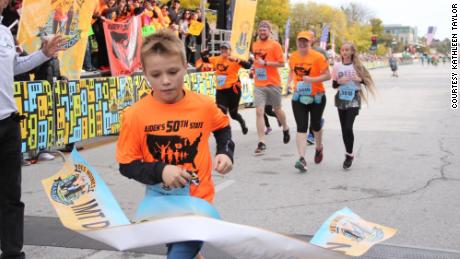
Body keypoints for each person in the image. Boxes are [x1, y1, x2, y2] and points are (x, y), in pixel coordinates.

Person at [116, 29, 234, 259]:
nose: (166, 81)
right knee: (179, 250)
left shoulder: (204, 106)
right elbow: (126, 165)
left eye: (173, 72)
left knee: (180, 253)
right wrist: (161, 170)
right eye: (156, 74)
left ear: (185, 66)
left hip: (198, 203)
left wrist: (225, 152)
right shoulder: (135, 115)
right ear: (144, 74)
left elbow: (222, 127)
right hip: (160, 204)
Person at [1, 1, 64, 256]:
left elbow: (13, 67)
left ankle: (13, 252)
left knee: (10, 197)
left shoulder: (5, 31)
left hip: (7, 125)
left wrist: (44, 55)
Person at [288, 31, 331, 172]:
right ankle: (302, 158)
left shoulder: (318, 57)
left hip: (317, 96)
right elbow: (291, 71)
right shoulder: (293, 56)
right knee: (301, 126)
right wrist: (288, 84)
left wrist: (312, 80)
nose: (302, 43)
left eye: (305, 41)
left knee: (315, 125)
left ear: (310, 42)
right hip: (299, 97)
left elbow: (328, 75)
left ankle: (319, 147)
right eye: (300, 40)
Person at [331, 42, 376, 169]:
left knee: (348, 127)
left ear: (352, 52)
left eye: (347, 50)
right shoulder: (337, 66)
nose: (344, 52)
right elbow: (334, 85)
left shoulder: (357, 66)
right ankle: (349, 154)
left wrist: (359, 79)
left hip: (354, 98)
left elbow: (368, 82)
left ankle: (349, 153)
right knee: (344, 129)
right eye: (342, 50)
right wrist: (339, 81)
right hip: (341, 98)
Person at [251, 20, 290, 155]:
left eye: (265, 30)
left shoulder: (275, 45)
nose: (262, 32)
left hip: (273, 83)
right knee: (259, 111)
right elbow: (256, 62)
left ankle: (285, 127)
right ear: (258, 31)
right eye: (260, 30)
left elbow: (282, 64)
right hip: (259, 84)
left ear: (269, 31)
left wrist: (266, 63)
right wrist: (253, 69)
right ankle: (261, 142)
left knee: (277, 110)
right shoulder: (255, 45)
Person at [209, 42, 251, 134]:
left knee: (233, 114)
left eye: (226, 49)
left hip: (233, 90)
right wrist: (203, 54)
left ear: (230, 51)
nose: (224, 50)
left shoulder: (234, 60)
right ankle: (225, 133)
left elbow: (248, 65)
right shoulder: (216, 59)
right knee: (221, 111)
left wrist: (237, 60)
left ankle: (242, 123)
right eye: (222, 49)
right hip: (221, 90)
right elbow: (205, 60)